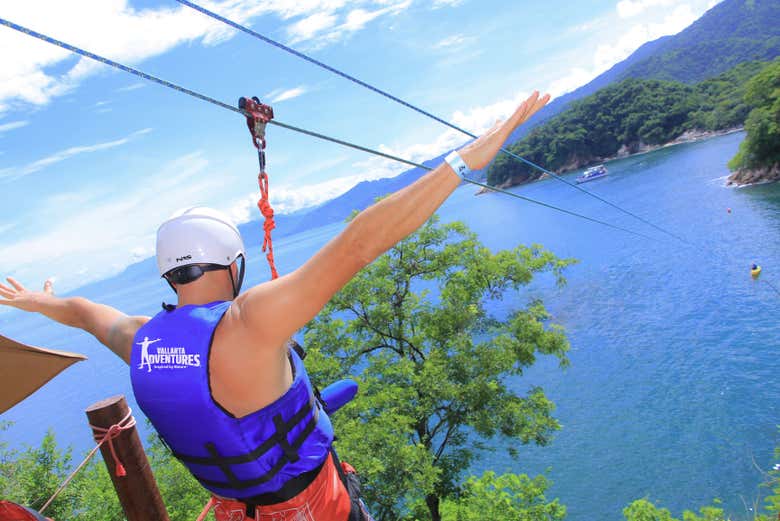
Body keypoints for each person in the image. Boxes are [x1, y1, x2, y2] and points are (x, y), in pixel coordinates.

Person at [0, 91, 550, 520]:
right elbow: (359, 243)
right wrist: (466, 158)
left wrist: (37, 301)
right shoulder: (249, 322)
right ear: (233, 265)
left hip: (236, 511)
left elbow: (80, 311)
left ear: (168, 271)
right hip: (316, 508)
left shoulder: (142, 340)